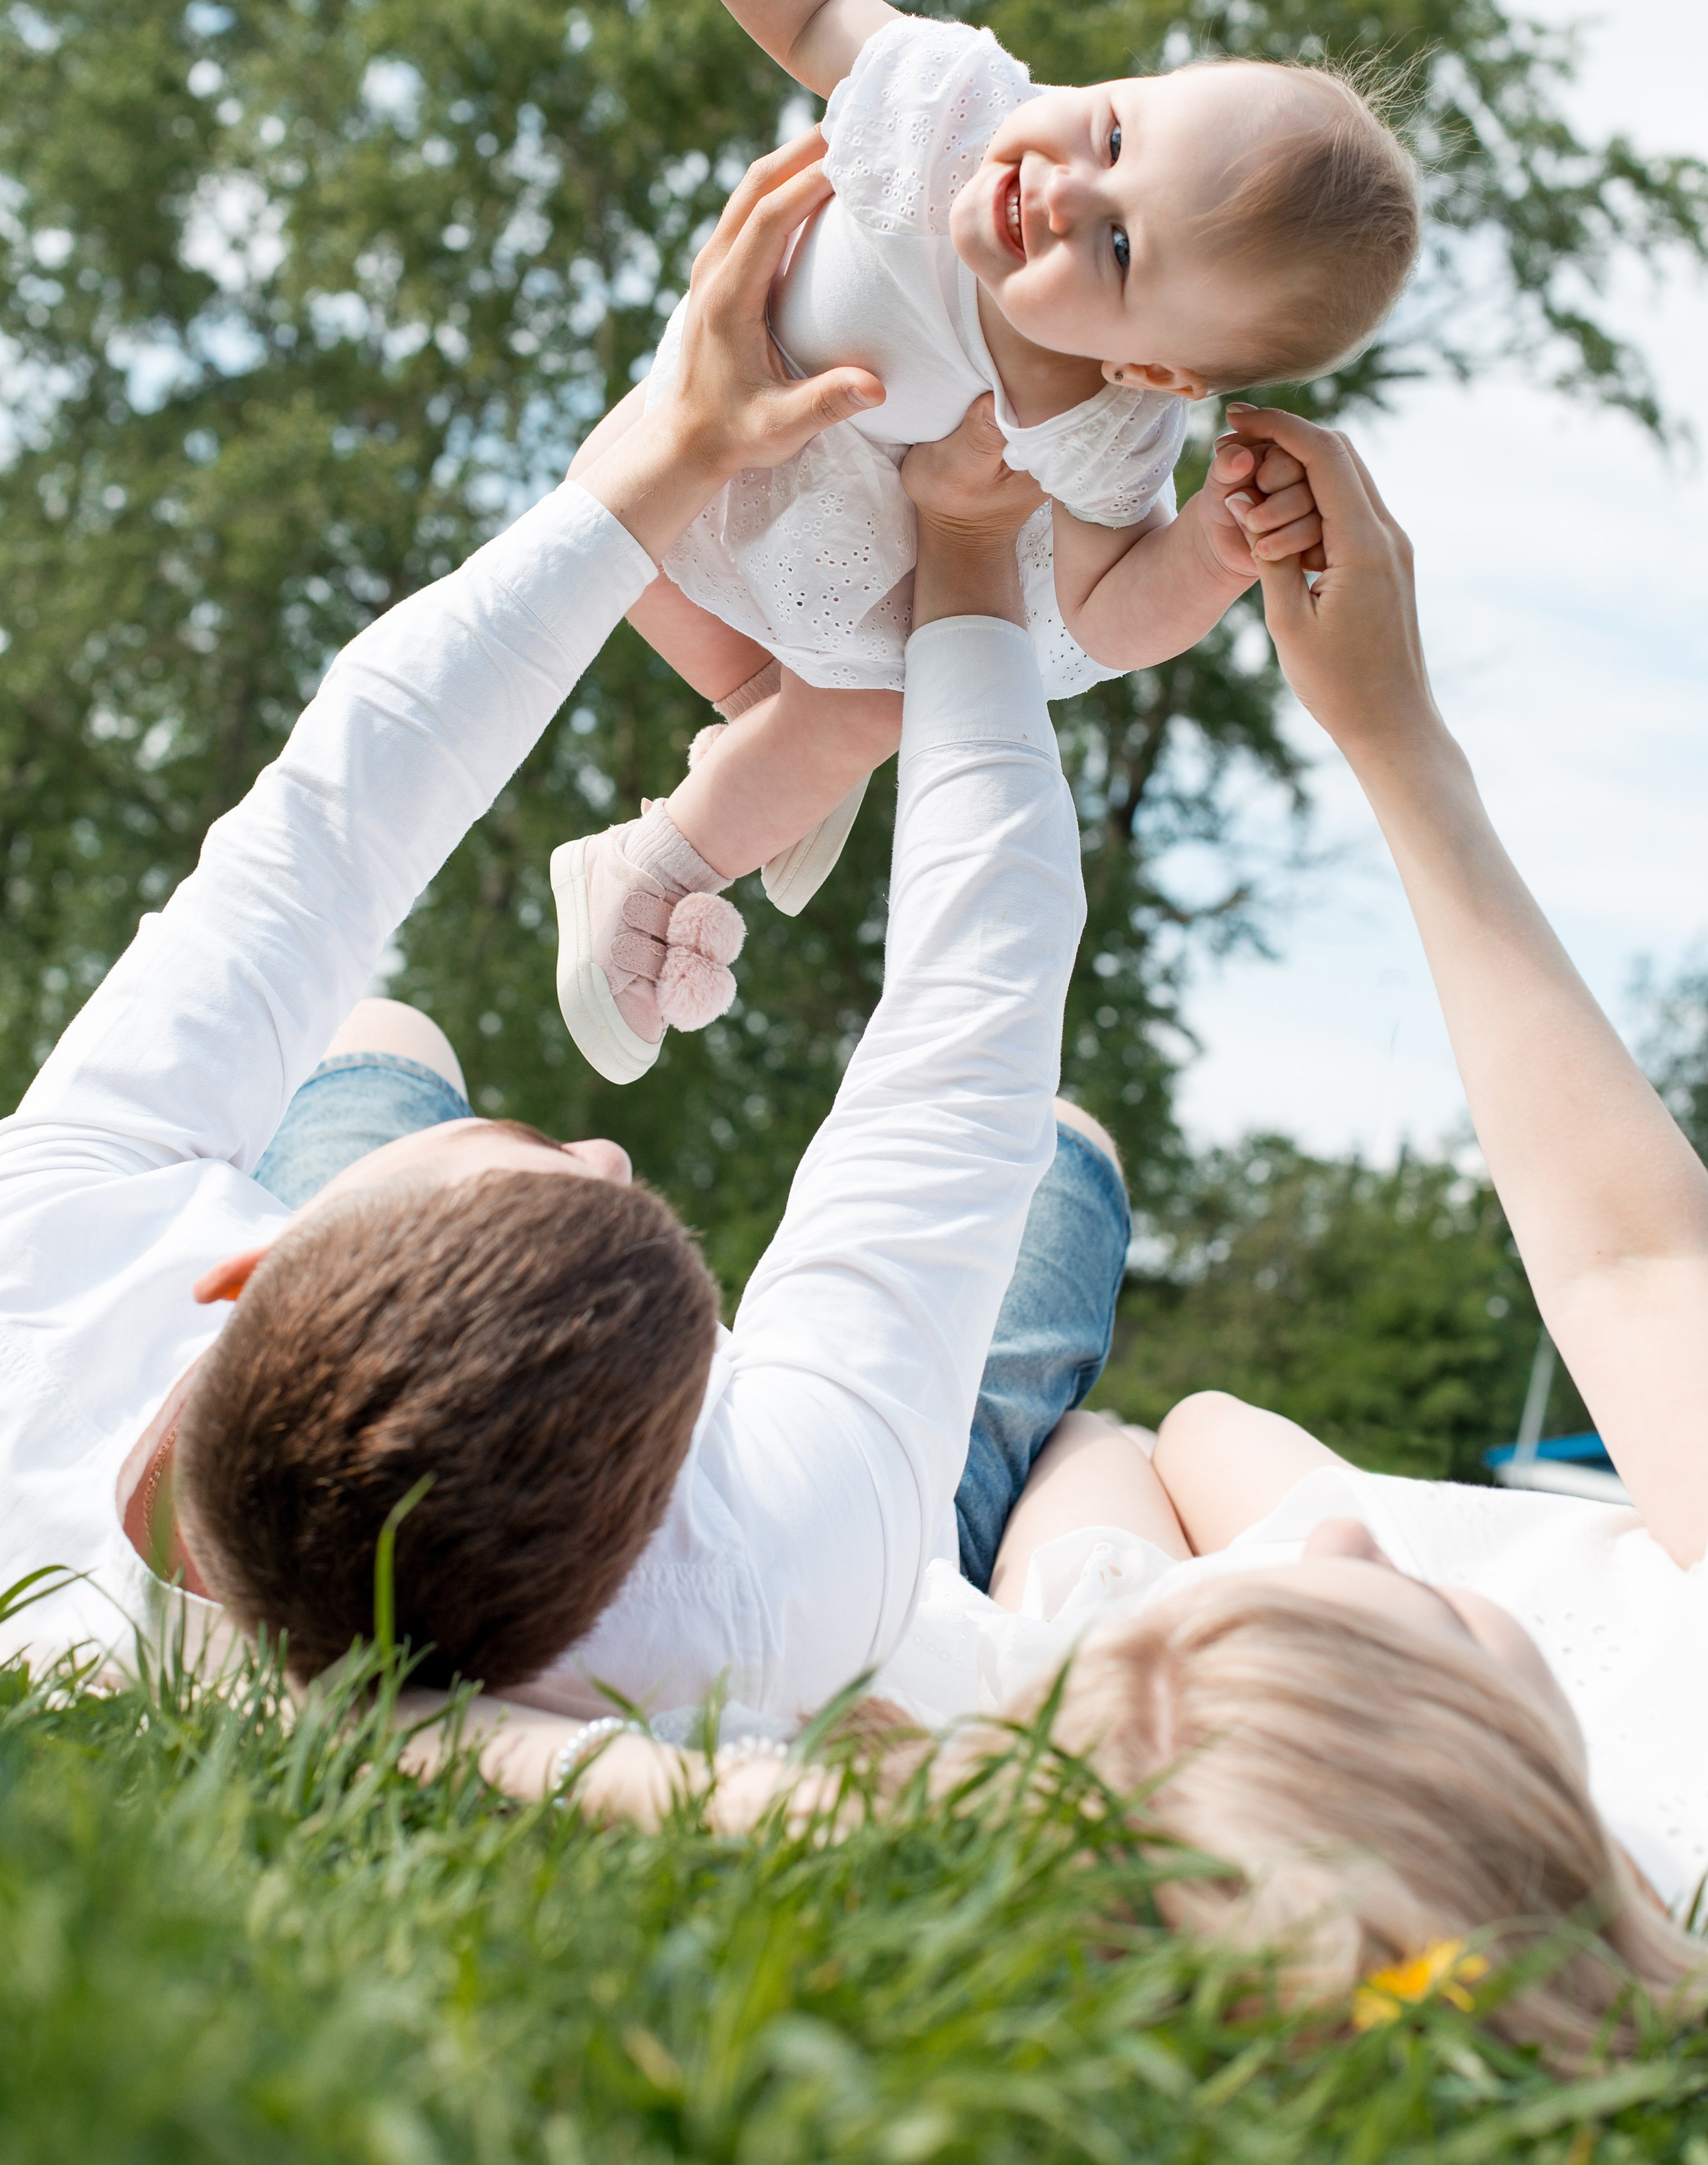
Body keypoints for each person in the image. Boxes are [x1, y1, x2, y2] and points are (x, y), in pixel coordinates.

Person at [415, 405, 1708, 2064]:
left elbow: (1632, 1279)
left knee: (409, 1083)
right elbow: (1627, 1282)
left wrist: (1389, 736)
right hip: (963, 1541)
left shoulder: (1049, 1744)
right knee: (1052, 1186)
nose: (1340, 1543)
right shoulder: (1174, 1787)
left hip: (804, 1503)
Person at [0, 131, 1124, 1727]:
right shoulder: (779, 1562)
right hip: (853, 1524)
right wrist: (964, 573)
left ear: (248, 1266)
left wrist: (664, 452)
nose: (611, 1159)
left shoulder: (35, 1277)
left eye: (556, 1172)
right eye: (651, 1241)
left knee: (374, 1037)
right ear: (673, 1479)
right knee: (1055, 1164)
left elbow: (322, 825)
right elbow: (974, 1047)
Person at [544, 0, 1394, 1083]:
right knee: (614, 531)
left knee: (861, 708)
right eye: (1111, 132)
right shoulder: (951, 106)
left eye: (1113, 247)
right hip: (709, 460)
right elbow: (817, 7)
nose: (1063, 187)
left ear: (1155, 369)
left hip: (848, 589)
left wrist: (1214, 551)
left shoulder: (1110, 428)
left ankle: (651, 863)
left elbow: (1105, 613)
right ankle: (764, 756)